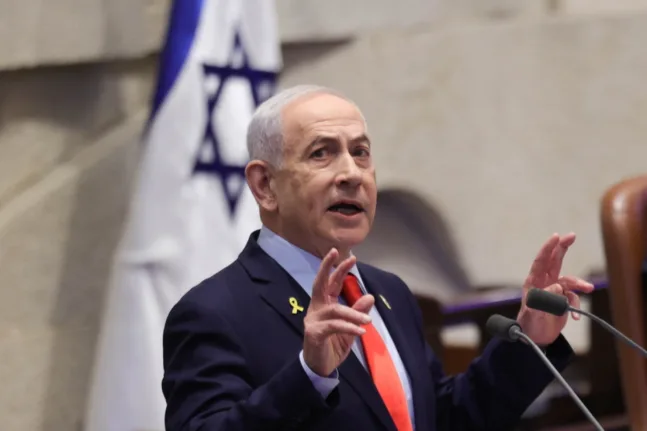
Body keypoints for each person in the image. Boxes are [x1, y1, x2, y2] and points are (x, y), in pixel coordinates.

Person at [161, 85, 594, 431]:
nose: (351, 173)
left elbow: (441, 420)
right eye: (321, 153)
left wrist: (530, 340)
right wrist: (308, 375)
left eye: (361, 152)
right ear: (264, 186)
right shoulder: (214, 313)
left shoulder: (389, 292)